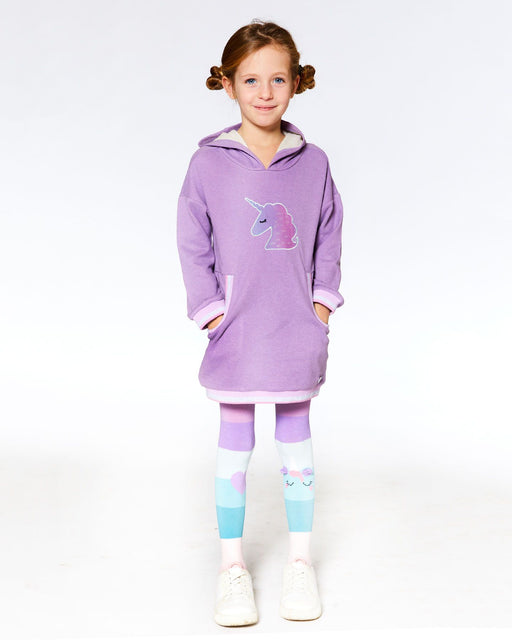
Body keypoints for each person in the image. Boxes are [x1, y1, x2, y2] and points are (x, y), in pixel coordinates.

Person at [176, 19, 344, 627]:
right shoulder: (208, 164)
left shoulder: (314, 163)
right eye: (251, 80)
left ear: (297, 82)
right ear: (227, 84)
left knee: (296, 446)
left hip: (296, 328)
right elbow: (192, 238)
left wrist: (320, 304)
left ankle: (300, 562)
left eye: (278, 79)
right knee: (235, 447)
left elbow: (329, 234)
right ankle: (232, 568)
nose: (265, 92)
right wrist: (211, 311)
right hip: (237, 329)